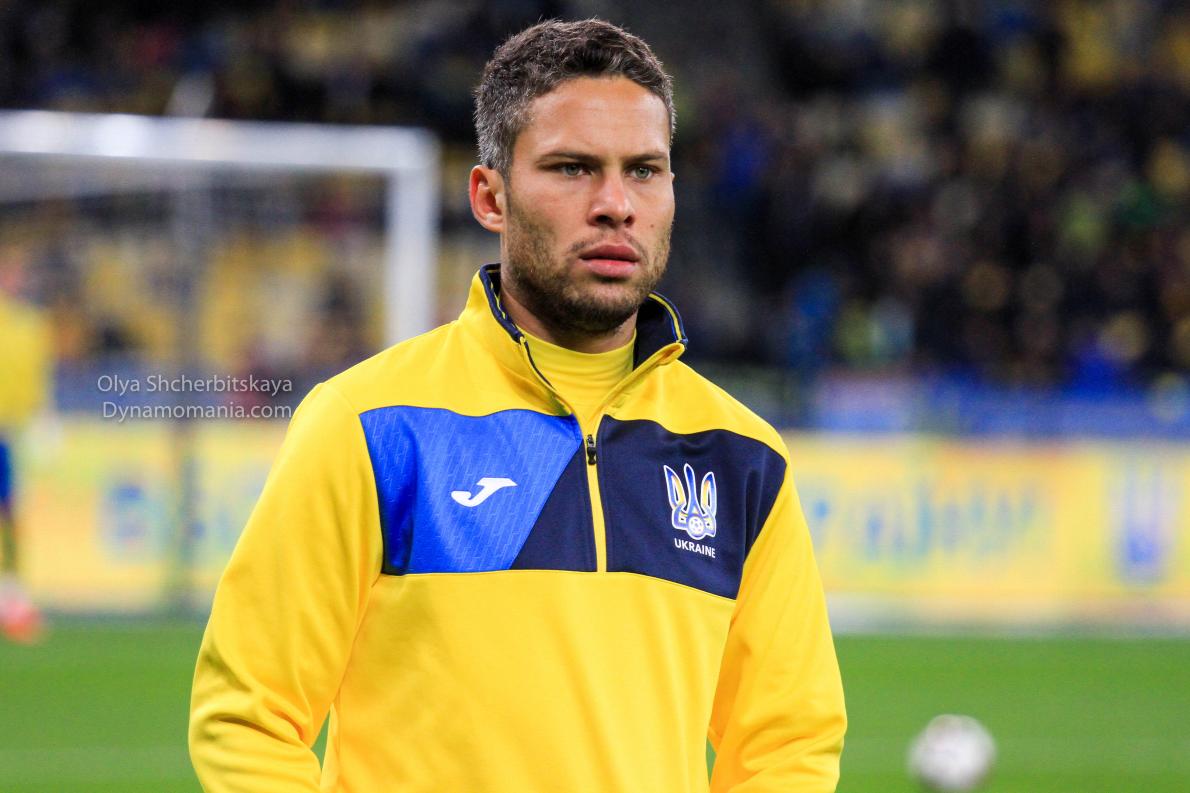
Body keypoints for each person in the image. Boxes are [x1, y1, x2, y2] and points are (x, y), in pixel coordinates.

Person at [190, 18, 845, 792]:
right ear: (490, 196)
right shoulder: (369, 427)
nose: (615, 204)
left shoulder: (741, 456)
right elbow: (249, 716)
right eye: (572, 168)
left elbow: (788, 741)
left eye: (644, 170)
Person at [0, 268, 52, 644]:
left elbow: (37, 376)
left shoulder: (31, 325)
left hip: (9, 430)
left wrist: (42, 415)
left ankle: (12, 596)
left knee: (11, 515)